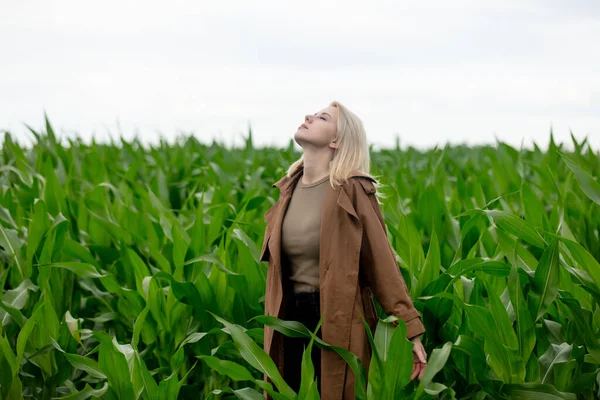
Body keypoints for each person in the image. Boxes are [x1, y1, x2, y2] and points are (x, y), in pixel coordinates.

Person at [260, 100, 427, 400]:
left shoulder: (352, 190)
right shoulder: (288, 189)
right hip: (288, 322)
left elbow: (382, 264)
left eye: (322, 117)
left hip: (337, 321)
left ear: (336, 140)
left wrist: (410, 331)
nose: (308, 116)